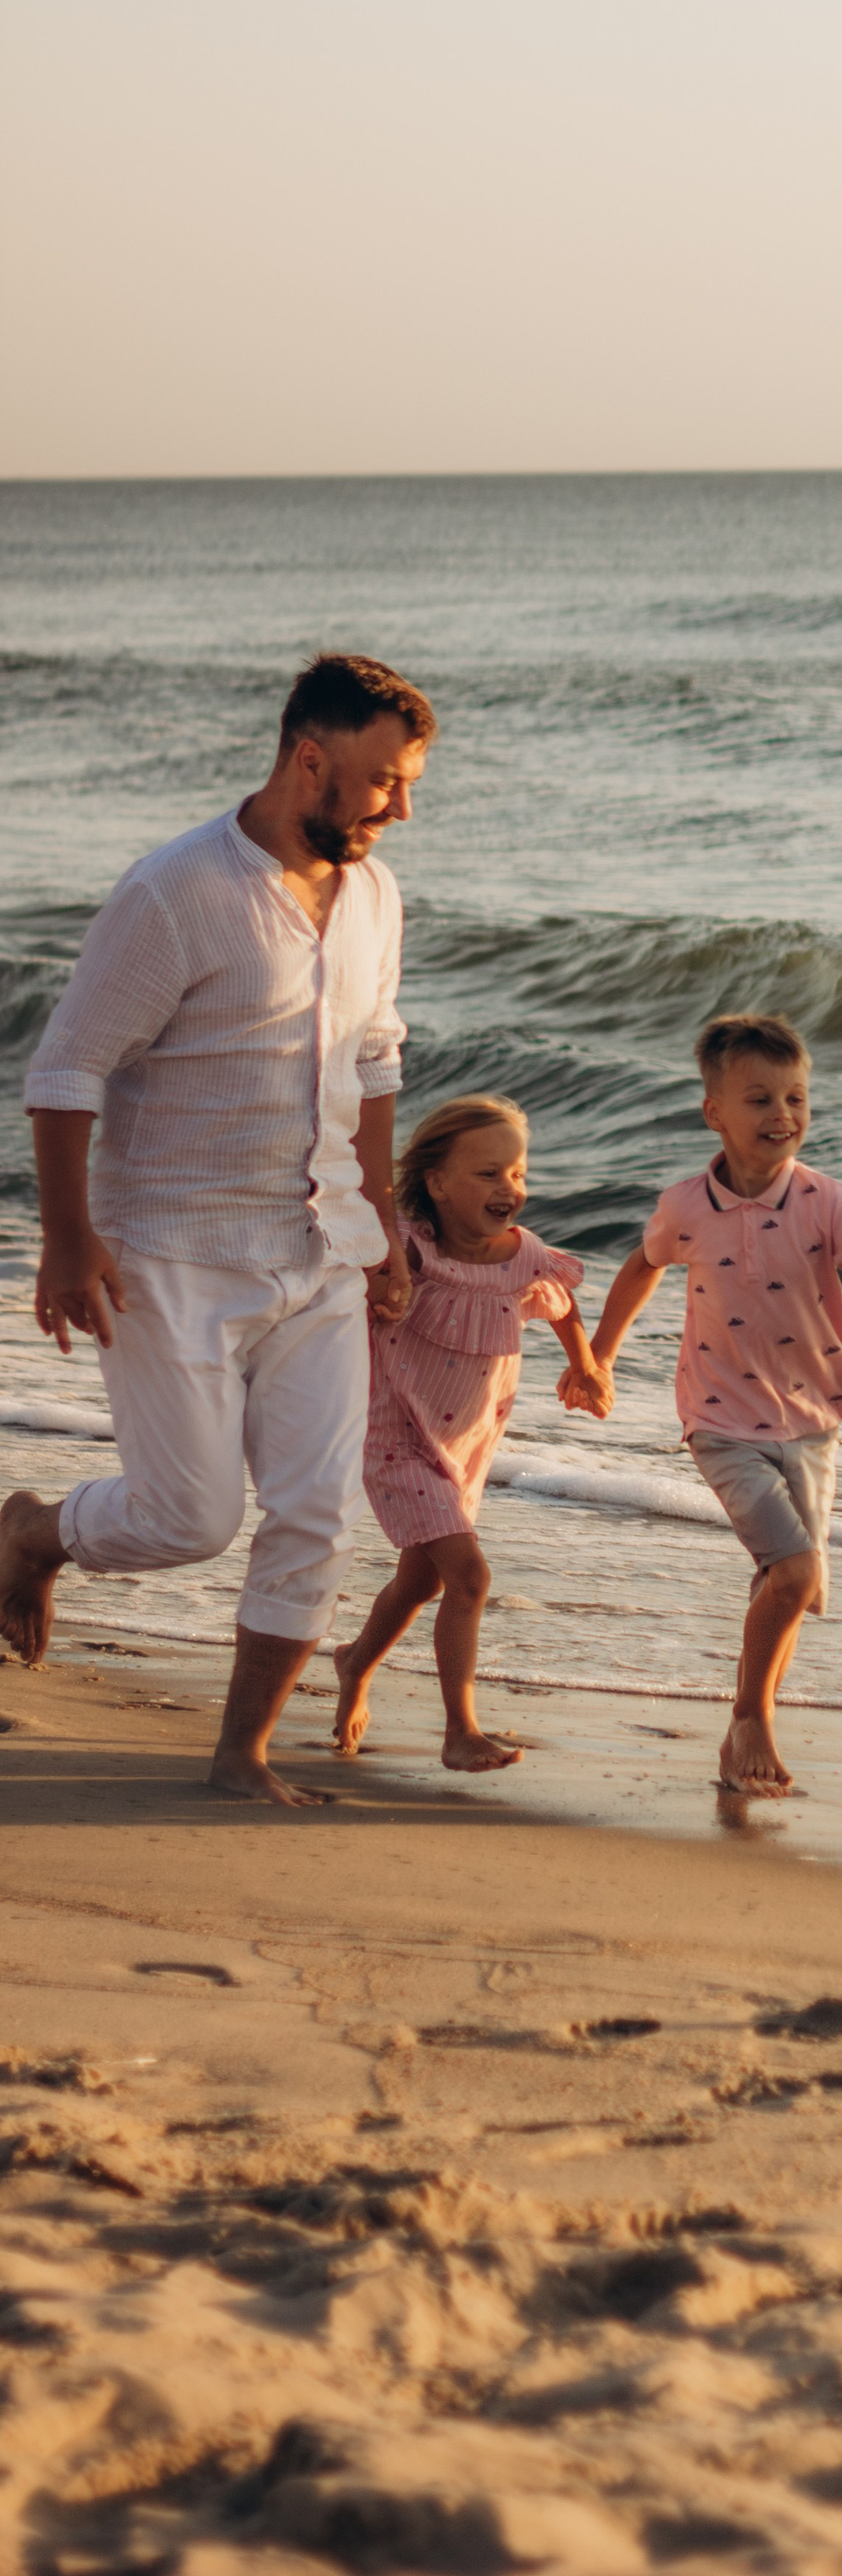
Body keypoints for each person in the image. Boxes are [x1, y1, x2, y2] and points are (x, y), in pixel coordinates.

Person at [0, 652, 435, 1805]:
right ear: (310, 760)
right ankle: (37, 1530)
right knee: (188, 1515)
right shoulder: (176, 892)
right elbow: (68, 1068)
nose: (402, 804)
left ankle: (241, 1754)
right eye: (386, 779)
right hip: (168, 1257)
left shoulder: (376, 898)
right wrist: (69, 1239)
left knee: (314, 1513)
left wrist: (383, 1225)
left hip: (321, 1254)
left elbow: (377, 1053)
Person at [577, 1012, 842, 1796]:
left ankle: (744, 1726)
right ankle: (751, 1717)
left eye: (796, 1097)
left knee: (794, 1586)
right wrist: (599, 1357)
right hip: (718, 1418)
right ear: (714, 1110)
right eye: (759, 1099)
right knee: (792, 1570)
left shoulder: (827, 1201)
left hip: (813, 1421)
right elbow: (640, 1268)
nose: (782, 1115)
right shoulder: (686, 1204)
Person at [332, 1094, 613, 1774]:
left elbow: (564, 1304)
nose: (509, 1188)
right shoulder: (406, 1246)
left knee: (422, 1583)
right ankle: (461, 1729)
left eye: (517, 1173)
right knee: (469, 1577)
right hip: (396, 1431)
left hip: (468, 1441)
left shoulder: (525, 1256)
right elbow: (337, 1277)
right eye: (489, 1174)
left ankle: (354, 1663)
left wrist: (587, 1365)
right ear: (437, 1182)